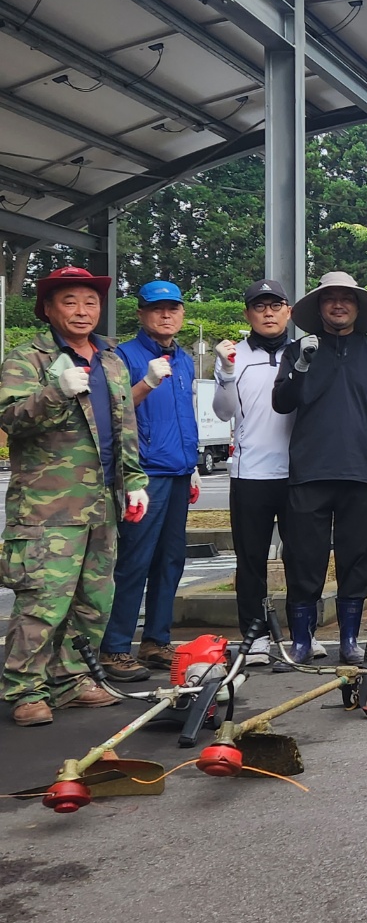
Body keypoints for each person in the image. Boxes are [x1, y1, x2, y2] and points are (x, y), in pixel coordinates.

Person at [1, 267, 146, 725]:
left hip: (102, 503)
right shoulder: (29, 359)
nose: (82, 311)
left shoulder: (111, 359)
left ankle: (73, 678)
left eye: (90, 301)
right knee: (44, 602)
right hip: (48, 508)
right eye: (70, 301)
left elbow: (124, 428)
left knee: (93, 600)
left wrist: (134, 479)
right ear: (47, 309)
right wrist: (53, 394)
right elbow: (10, 419)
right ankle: (25, 689)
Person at [272, 271, 367, 666]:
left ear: (357, 307)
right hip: (309, 470)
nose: (338, 304)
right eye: (330, 299)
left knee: (356, 557)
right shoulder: (299, 349)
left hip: (361, 473)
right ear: (319, 307)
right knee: (304, 557)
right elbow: (281, 402)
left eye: (347, 298)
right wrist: (302, 367)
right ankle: (302, 639)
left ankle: (348, 638)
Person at [213, 279, 317, 666]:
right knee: (251, 559)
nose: (268, 313)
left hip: (299, 473)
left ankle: (302, 634)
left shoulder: (305, 352)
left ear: (289, 311)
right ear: (248, 314)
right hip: (250, 473)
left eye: (276, 305)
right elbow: (223, 411)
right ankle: (255, 636)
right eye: (260, 306)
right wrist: (224, 371)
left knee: (302, 557)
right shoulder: (234, 356)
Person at [101, 281, 200, 679]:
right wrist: (146, 382)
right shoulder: (122, 357)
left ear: (181, 314)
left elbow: (183, 416)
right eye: (157, 309)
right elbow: (112, 412)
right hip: (143, 475)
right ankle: (115, 647)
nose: (165, 315)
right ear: (141, 313)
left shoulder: (186, 359)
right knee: (134, 561)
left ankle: (156, 641)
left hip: (178, 471)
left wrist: (191, 464)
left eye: (173, 308)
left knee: (170, 560)